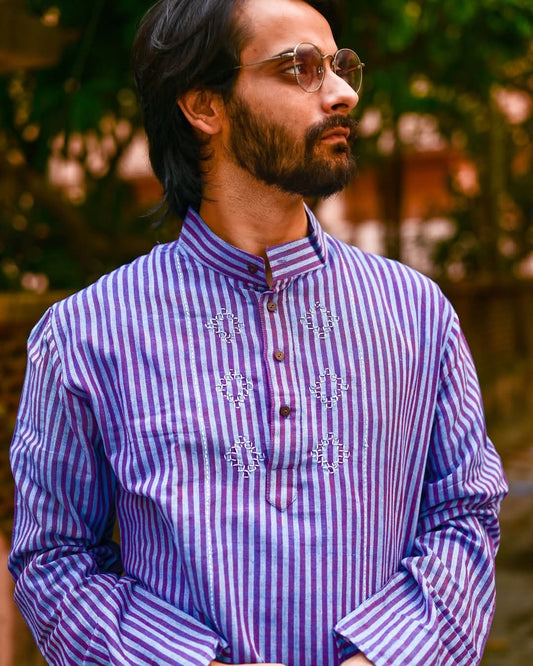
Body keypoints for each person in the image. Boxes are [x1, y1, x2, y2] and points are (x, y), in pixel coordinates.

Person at [9, 0, 507, 664]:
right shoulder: (85, 335)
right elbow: (54, 559)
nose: (343, 93)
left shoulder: (415, 313)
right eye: (298, 68)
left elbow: (464, 513)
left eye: (339, 65)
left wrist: (385, 656)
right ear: (204, 106)